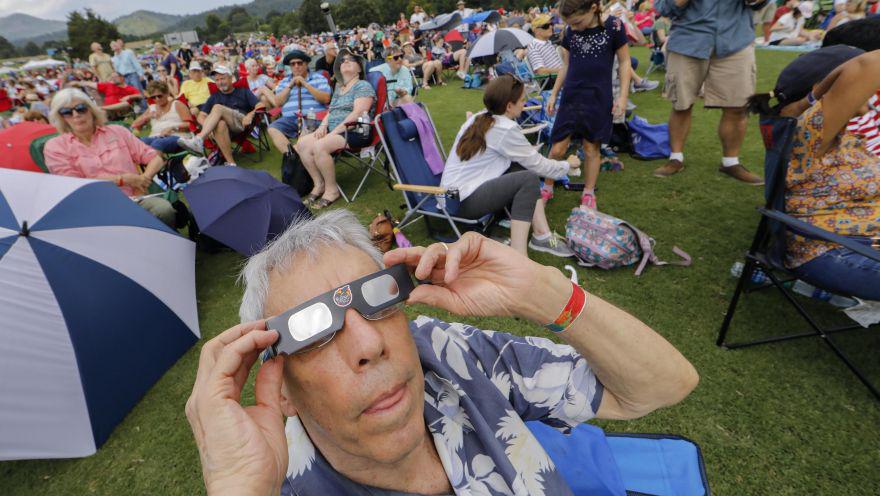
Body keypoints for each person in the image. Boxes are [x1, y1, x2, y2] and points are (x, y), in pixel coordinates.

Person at [185, 209, 700, 496]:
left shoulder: (447, 354)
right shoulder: (278, 483)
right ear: (283, 392)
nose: (368, 344)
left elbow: (660, 386)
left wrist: (544, 294)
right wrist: (239, 488)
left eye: (378, 298)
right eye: (314, 331)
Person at [748, 47, 880, 299]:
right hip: (834, 250)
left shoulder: (831, 132)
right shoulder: (807, 133)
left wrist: (820, 89)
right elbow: (869, 67)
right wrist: (823, 88)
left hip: (864, 239)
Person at [443, 75, 581, 258]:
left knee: (521, 169)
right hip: (462, 202)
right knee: (528, 178)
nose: (524, 104)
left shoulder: (479, 118)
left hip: (453, 194)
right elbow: (541, 166)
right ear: (509, 106)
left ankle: (541, 234)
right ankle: (519, 256)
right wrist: (568, 164)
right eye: (522, 100)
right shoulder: (505, 129)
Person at [653, 0, 767, 184]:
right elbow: (665, 8)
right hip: (688, 40)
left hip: (735, 41)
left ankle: (730, 162)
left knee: (738, 106)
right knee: (681, 104)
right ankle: (676, 158)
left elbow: (759, 4)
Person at [43, 88, 176, 227]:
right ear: (61, 117)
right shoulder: (55, 147)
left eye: (81, 108)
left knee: (163, 210)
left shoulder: (117, 131)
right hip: (92, 208)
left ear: (92, 110)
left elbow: (155, 158)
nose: (76, 115)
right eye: (67, 112)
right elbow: (75, 185)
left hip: (134, 199)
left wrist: (144, 180)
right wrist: (122, 180)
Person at [545, 0, 631, 211]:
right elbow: (566, 65)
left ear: (593, 9)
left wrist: (622, 98)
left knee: (591, 147)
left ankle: (588, 192)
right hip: (572, 97)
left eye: (577, 22)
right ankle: (547, 185)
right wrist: (554, 93)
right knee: (557, 148)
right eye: (570, 24)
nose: (573, 28)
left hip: (598, 97)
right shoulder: (570, 31)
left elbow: (625, 62)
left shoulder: (615, 26)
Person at [293, 49, 375, 209]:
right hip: (335, 132)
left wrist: (336, 130)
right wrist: (323, 126)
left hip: (356, 131)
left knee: (319, 146)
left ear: (359, 68)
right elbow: (331, 111)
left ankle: (332, 190)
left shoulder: (362, 85)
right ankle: (319, 184)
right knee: (302, 143)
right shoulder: (340, 88)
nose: (345, 61)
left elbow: (359, 112)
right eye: (343, 60)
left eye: (351, 60)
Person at [177, 65, 265, 167]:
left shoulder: (243, 91)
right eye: (217, 80)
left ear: (231, 78)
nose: (220, 82)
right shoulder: (214, 97)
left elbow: (260, 105)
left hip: (242, 123)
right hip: (225, 130)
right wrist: (208, 126)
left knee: (218, 107)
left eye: (222, 78)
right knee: (220, 124)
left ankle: (199, 139)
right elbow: (201, 115)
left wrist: (250, 115)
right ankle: (232, 164)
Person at [268, 50, 332, 156]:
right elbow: (277, 103)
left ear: (306, 64)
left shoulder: (318, 78)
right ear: (290, 67)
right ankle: (293, 157)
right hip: (290, 119)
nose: (296, 66)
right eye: (293, 64)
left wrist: (305, 84)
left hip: (313, 118)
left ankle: (299, 159)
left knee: (304, 133)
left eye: (299, 63)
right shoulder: (284, 81)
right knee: (273, 128)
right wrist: (290, 85)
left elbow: (326, 99)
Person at [132, 80, 194, 153]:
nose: (157, 99)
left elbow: (189, 125)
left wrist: (172, 128)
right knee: (139, 142)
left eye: (159, 96)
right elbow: (134, 125)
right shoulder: (152, 108)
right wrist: (147, 116)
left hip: (177, 136)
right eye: (153, 97)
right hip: (155, 137)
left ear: (167, 94)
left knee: (157, 144)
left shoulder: (177, 104)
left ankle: (158, 163)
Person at [71, 72, 143, 119]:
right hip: (107, 109)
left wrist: (129, 96)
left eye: (115, 77)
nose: (113, 79)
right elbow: (90, 84)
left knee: (125, 104)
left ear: (122, 78)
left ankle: (102, 108)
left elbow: (140, 96)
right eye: (112, 77)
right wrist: (77, 83)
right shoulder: (108, 85)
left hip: (122, 109)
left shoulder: (129, 88)